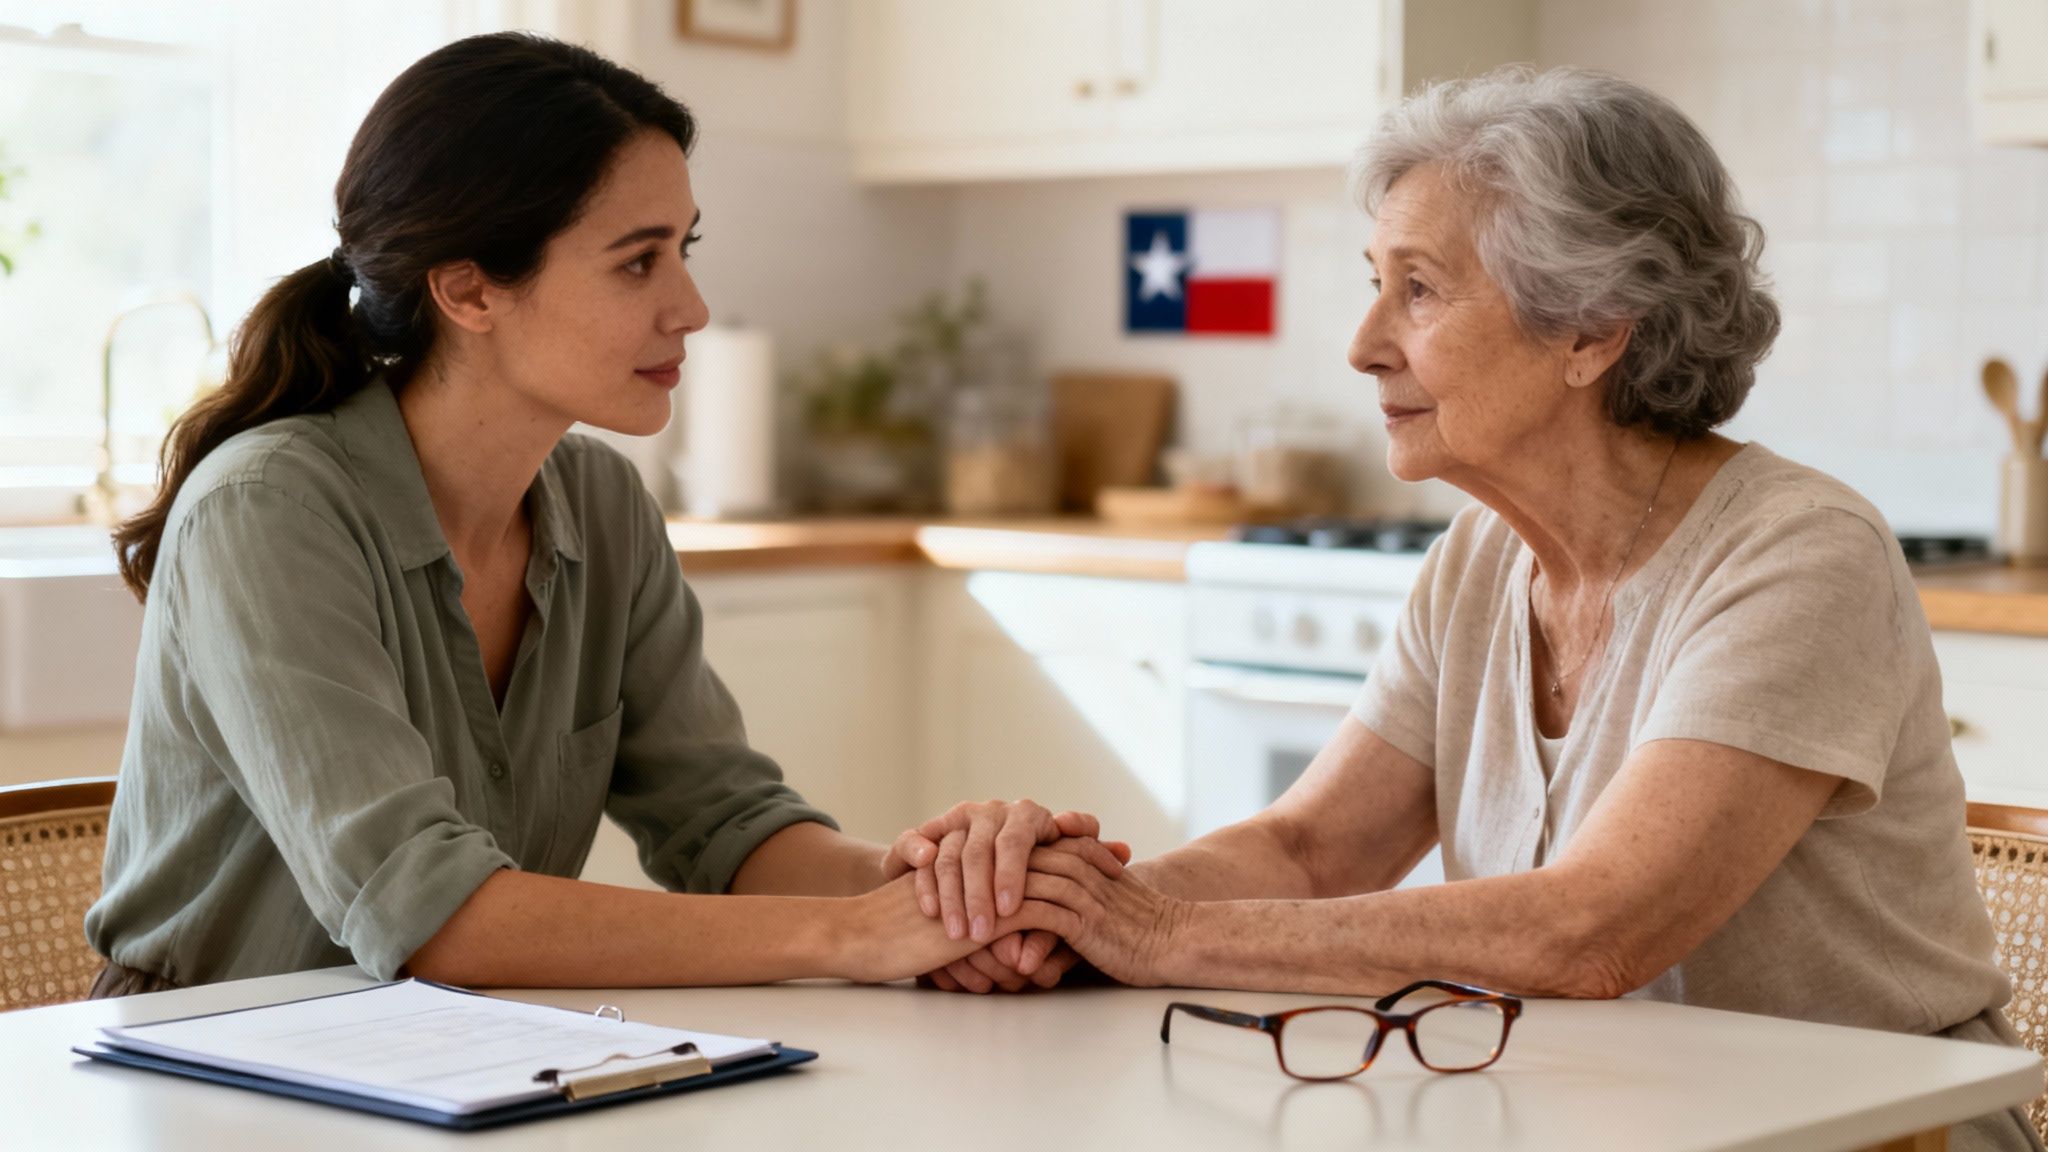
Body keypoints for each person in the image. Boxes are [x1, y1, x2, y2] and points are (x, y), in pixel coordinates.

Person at [904, 67, 2041, 1150]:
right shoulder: (1480, 556)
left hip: (1873, 1136)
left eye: (1418, 290)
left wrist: (1148, 935)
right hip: (1601, 1120)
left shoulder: (1796, 556)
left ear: (1590, 330)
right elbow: (1308, 850)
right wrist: (1060, 916)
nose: (1361, 346)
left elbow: (1590, 931)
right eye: (1374, 283)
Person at [85, 32, 1116, 996]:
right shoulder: (268, 512)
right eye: (637, 261)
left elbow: (724, 823)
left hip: (455, 1068)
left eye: (684, 248)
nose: (692, 306)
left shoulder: (601, 505)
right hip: (202, 1077)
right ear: (469, 291)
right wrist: (854, 938)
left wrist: (944, 890)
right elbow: (435, 922)